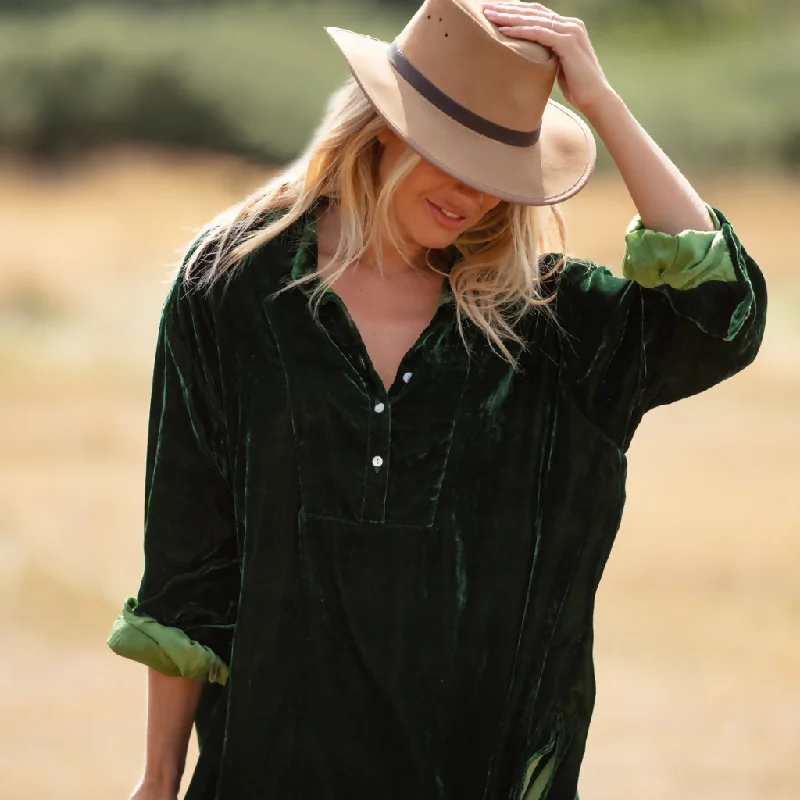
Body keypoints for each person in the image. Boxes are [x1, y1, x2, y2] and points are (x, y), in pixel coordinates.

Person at [107, 1, 767, 798]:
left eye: (500, 173)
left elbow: (719, 318)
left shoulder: (545, 325)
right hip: (270, 764)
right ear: (384, 126)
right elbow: (189, 550)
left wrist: (602, 103)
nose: (475, 197)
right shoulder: (233, 283)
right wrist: (155, 779)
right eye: (455, 156)